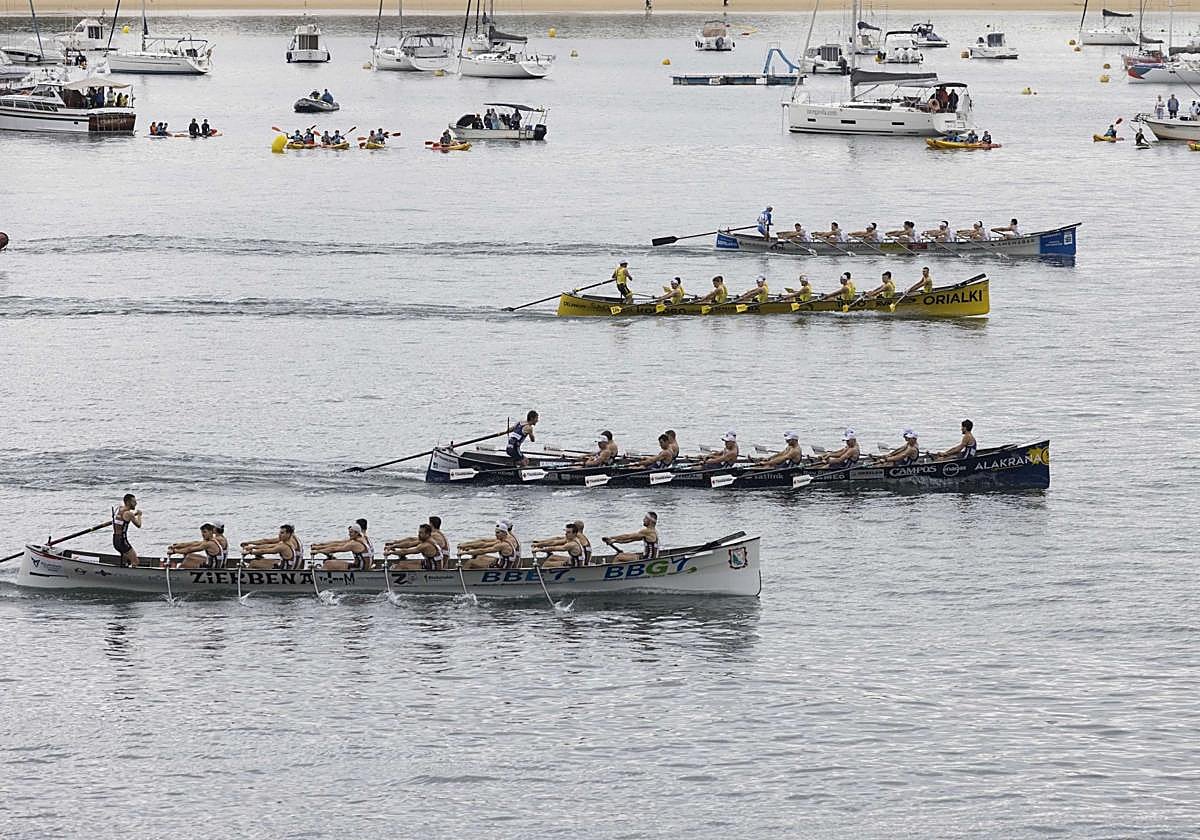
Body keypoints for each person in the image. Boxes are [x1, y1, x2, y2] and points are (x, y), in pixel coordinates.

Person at [112, 493, 142, 567]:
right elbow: (138, 525)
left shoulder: (120, 509)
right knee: (135, 562)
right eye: (134, 502)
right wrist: (139, 515)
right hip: (122, 541)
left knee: (126, 561)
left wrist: (134, 515)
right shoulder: (129, 514)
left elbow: (125, 518)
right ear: (128, 502)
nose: (136, 504)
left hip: (115, 540)